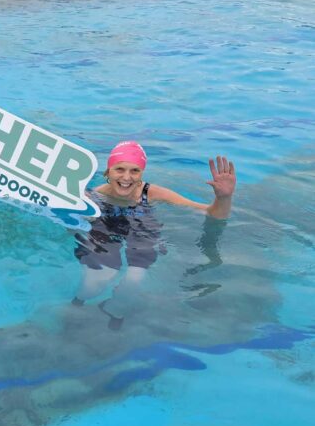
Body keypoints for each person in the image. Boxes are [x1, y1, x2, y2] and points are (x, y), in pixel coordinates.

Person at [73, 140, 236, 328]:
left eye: (135, 171)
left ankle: (114, 310)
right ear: (108, 171)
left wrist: (224, 198)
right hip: (107, 227)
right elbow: (73, 227)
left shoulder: (152, 194)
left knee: (133, 281)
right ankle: (78, 302)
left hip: (142, 229)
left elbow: (211, 214)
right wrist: (81, 211)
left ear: (142, 173)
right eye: (120, 169)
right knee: (96, 281)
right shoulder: (93, 197)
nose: (127, 177)